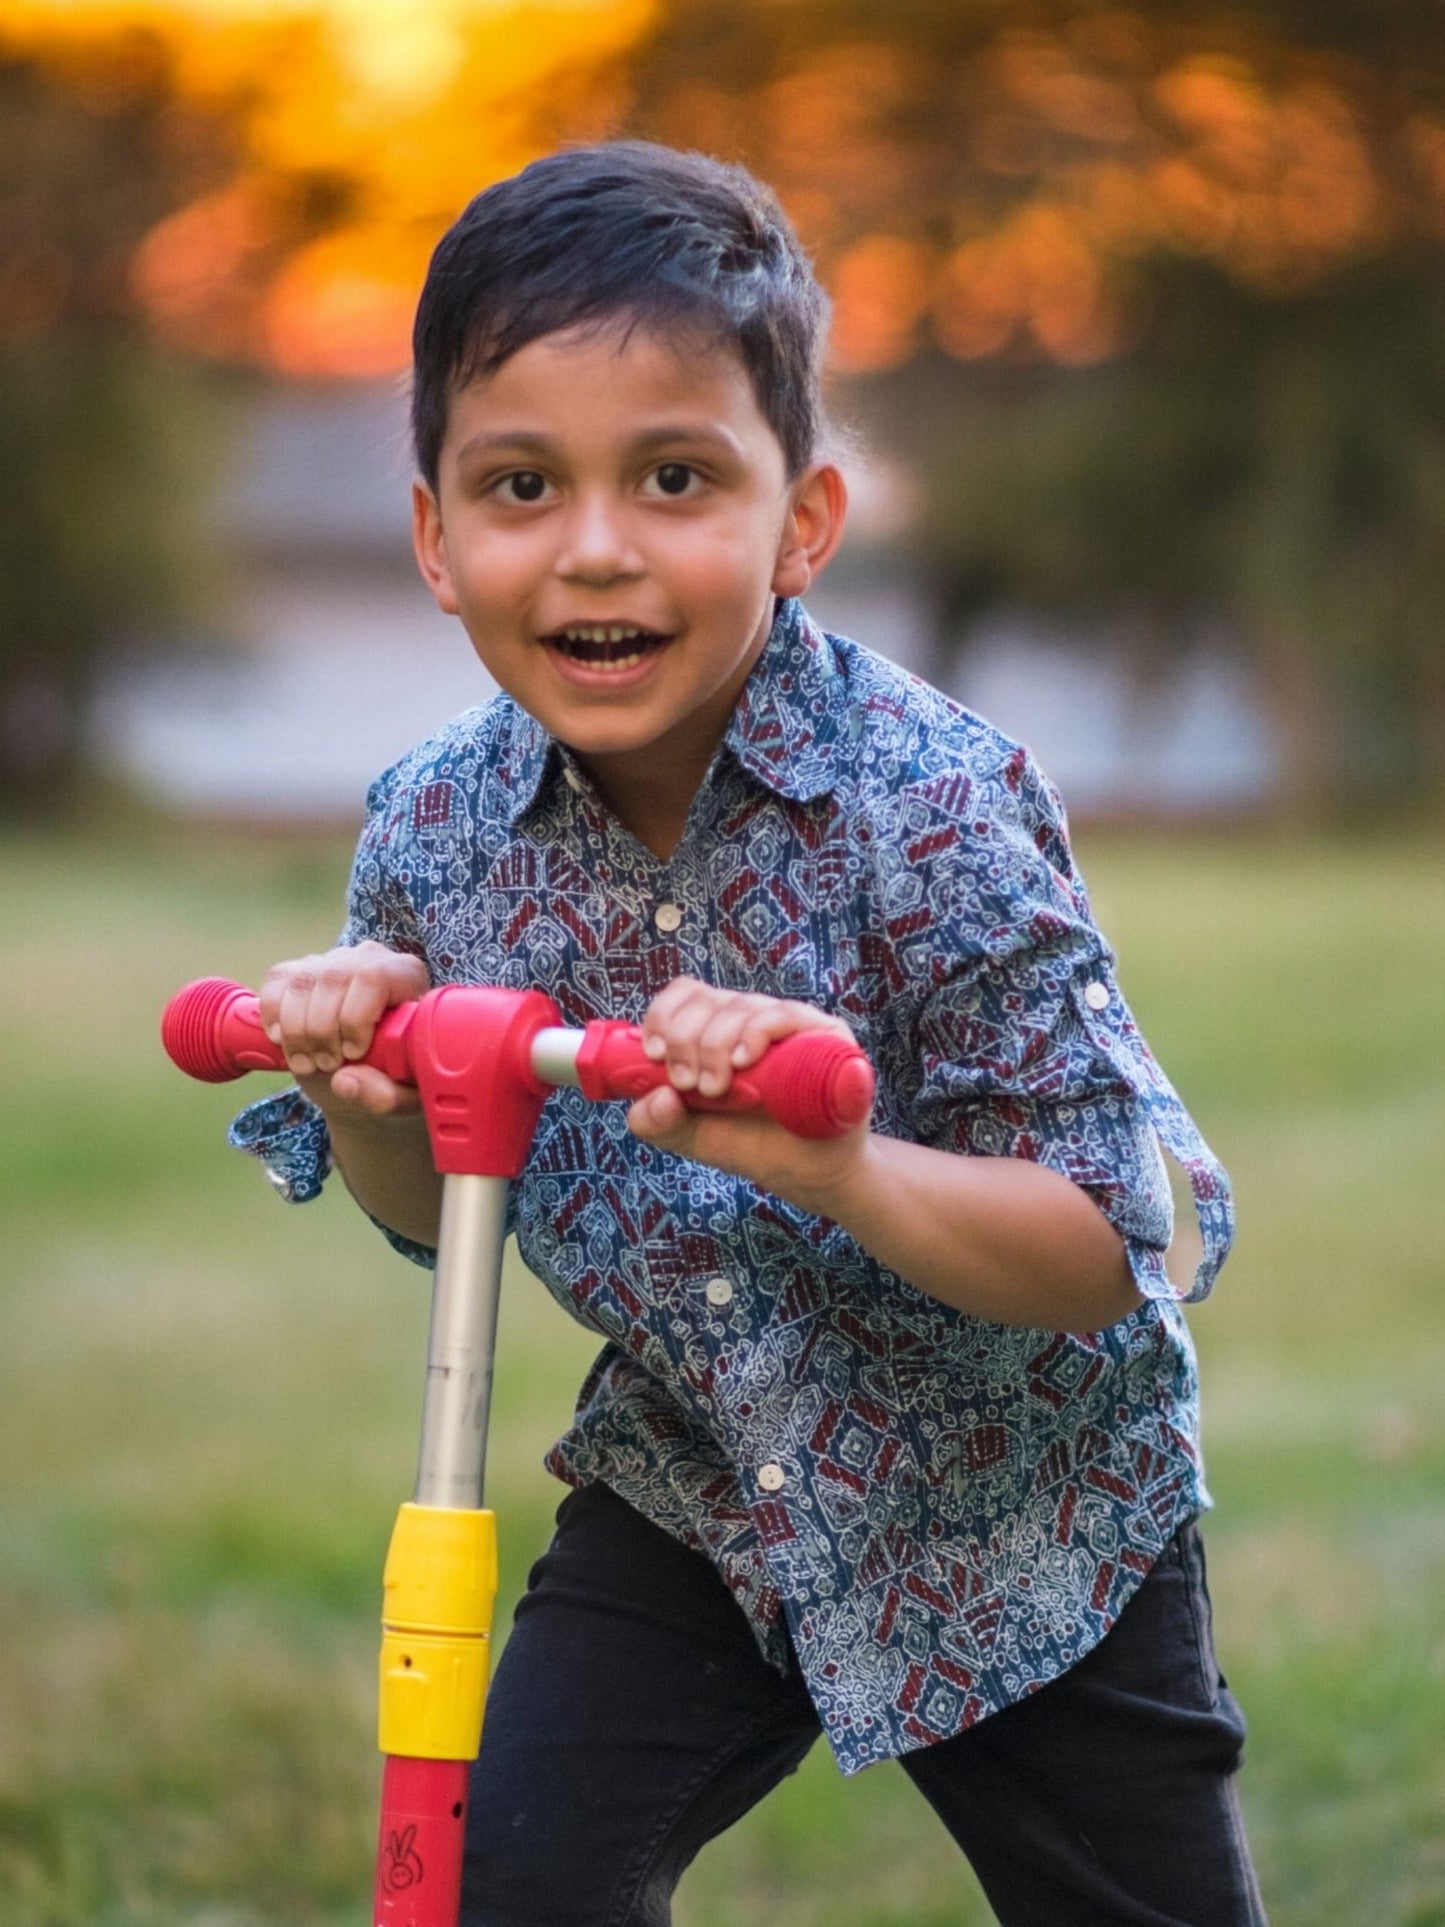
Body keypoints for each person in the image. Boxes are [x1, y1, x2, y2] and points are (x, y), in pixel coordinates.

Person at [232, 141, 1266, 1925]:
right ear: (434, 535)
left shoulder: (927, 805)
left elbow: (1117, 1245)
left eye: (677, 475)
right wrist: (369, 1079)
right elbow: (429, 1210)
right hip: (696, 1483)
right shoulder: (430, 831)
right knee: (519, 1880)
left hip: (1018, 1498)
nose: (597, 548)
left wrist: (839, 1163)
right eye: (520, 484)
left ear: (800, 521)